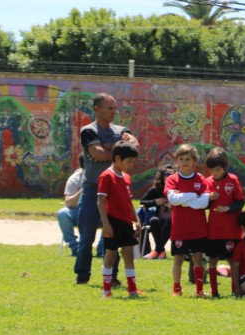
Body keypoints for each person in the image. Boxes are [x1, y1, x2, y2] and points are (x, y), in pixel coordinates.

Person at [74, 92, 138, 285]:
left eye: (115, 108)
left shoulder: (121, 129)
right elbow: (97, 153)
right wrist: (118, 148)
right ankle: (82, 275)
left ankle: (113, 277)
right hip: (93, 188)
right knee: (87, 235)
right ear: (97, 109)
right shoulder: (88, 131)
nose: (113, 112)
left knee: (114, 236)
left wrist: (109, 147)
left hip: (115, 191)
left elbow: (134, 148)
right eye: (109, 108)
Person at [96, 142, 142, 298]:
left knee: (129, 256)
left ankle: (132, 290)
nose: (131, 165)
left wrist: (136, 220)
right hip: (113, 222)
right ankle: (107, 290)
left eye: (133, 162)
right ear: (117, 158)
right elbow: (100, 202)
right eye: (129, 161)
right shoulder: (106, 176)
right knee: (110, 255)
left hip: (126, 223)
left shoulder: (127, 178)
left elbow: (128, 202)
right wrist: (106, 224)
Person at [164, 144, 209, 297]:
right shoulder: (172, 179)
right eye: (181, 159)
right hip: (179, 228)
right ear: (177, 161)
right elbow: (172, 199)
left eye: (187, 159)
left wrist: (182, 198)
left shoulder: (200, 179)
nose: (184, 162)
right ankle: (176, 289)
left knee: (198, 259)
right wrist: (193, 196)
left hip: (198, 228)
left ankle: (199, 290)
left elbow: (204, 202)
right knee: (178, 259)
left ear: (194, 161)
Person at [203, 147, 245, 298]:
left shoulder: (233, 180)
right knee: (212, 260)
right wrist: (208, 199)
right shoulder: (207, 182)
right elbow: (204, 205)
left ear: (225, 167)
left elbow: (240, 202)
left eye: (218, 170)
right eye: (212, 170)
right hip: (213, 231)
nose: (215, 173)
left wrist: (227, 208)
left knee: (232, 261)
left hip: (231, 231)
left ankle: (235, 290)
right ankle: (214, 291)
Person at [140, 164, 175, 260]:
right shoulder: (157, 189)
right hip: (160, 217)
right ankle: (161, 251)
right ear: (162, 176)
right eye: (167, 174)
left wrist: (173, 205)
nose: (170, 176)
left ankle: (157, 250)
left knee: (170, 221)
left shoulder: (178, 188)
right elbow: (142, 201)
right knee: (154, 220)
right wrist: (155, 202)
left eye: (173, 174)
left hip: (175, 219)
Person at [57, 154, 84, 257]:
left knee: (111, 214)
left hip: (98, 213)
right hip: (78, 212)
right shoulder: (75, 179)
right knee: (63, 214)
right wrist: (83, 189)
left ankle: (102, 249)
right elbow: (68, 202)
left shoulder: (105, 176)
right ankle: (75, 248)